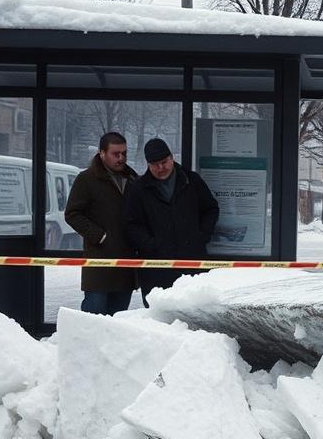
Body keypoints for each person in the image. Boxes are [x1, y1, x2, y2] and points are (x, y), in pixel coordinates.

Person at [124, 138, 219, 306]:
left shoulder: (192, 181)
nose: (161, 168)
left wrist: (201, 236)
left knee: (194, 321)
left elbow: (210, 209)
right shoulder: (138, 188)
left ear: (172, 158)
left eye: (164, 162)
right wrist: (150, 244)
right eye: (155, 164)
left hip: (192, 264)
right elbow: (131, 224)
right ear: (148, 164)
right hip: (156, 268)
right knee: (159, 320)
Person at [65, 132, 140, 315]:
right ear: (102, 153)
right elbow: (72, 214)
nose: (121, 158)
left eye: (124, 153)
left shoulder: (133, 179)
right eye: (116, 153)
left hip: (126, 263)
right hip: (99, 262)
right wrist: (99, 236)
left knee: (118, 318)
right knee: (93, 316)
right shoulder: (87, 179)